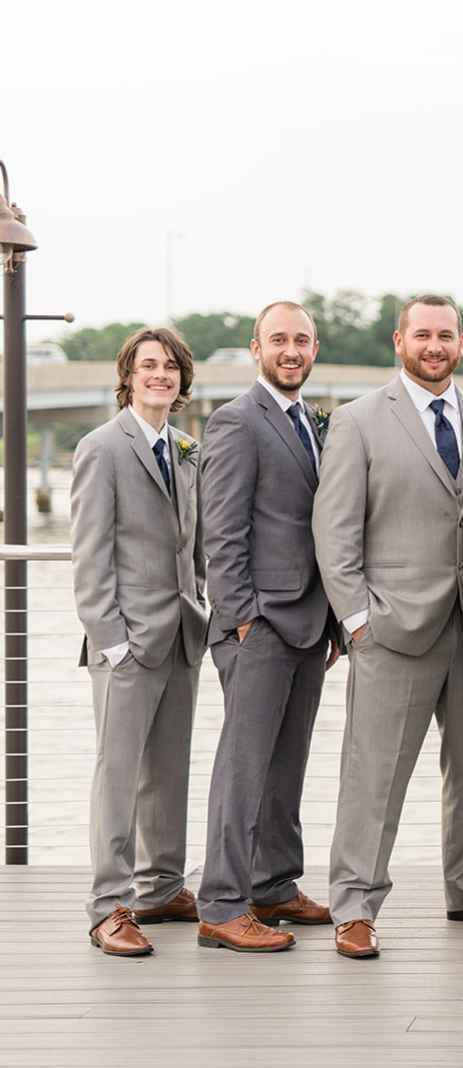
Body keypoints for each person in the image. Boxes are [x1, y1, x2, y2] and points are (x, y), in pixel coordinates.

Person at [311, 294, 463, 959]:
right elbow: (334, 530)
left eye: (445, 335)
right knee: (375, 774)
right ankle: (356, 907)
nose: (434, 345)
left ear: (461, 342)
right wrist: (357, 619)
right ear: (399, 341)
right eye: (421, 334)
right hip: (392, 629)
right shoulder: (358, 421)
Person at [195, 301, 340, 953]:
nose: (291, 350)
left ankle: (274, 884)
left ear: (314, 349)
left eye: (301, 340)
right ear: (256, 347)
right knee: (243, 768)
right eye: (279, 339)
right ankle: (222, 904)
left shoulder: (308, 420)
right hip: (259, 624)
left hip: (309, 623)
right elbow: (220, 532)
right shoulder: (236, 421)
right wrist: (242, 617)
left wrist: (332, 619)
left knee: (287, 764)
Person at [71, 327, 209, 956]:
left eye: (171, 366)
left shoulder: (187, 450)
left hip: (182, 636)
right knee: (118, 774)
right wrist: (113, 641)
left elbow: (196, 547)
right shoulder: (101, 448)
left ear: (182, 378)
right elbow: (89, 557)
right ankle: (109, 906)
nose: (162, 374)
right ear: (128, 375)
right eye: (149, 365)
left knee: (168, 773)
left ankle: (160, 887)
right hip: (125, 643)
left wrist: (203, 607)